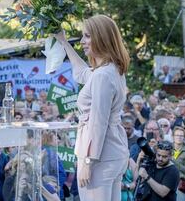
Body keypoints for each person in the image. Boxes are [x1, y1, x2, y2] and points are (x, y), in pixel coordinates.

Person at [54, 14, 130, 200]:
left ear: (102, 38)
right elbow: (82, 73)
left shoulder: (103, 75)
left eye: (87, 36)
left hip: (100, 159)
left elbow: (98, 122)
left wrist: (87, 162)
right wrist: (64, 42)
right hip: (111, 154)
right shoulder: (110, 71)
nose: (82, 41)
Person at [171, 127, 185, 201]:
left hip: (181, 183)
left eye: (181, 136)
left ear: (184, 137)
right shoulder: (168, 148)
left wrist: (173, 160)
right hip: (168, 181)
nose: (179, 137)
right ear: (173, 137)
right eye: (177, 135)